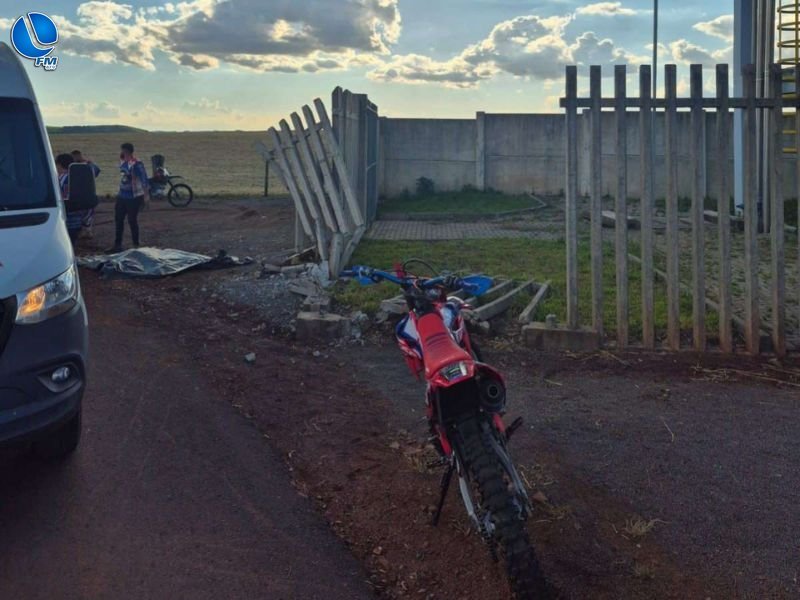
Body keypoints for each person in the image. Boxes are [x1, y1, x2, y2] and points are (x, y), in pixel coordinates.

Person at [108, 142, 149, 253]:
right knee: (119, 220)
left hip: (133, 197)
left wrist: (146, 195)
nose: (121, 153)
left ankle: (136, 244)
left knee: (132, 220)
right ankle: (118, 245)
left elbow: (144, 178)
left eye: (122, 151)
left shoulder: (137, 164)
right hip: (122, 196)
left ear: (126, 151)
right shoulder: (123, 162)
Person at [54, 153, 85, 244]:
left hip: (69, 221)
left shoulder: (65, 179)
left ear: (59, 164)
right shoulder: (74, 177)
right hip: (75, 220)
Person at [70, 149, 100, 239]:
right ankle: (86, 230)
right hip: (87, 195)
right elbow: (97, 171)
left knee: (83, 214)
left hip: (79, 196)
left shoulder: (71, 168)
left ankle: (85, 230)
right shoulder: (89, 167)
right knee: (86, 215)